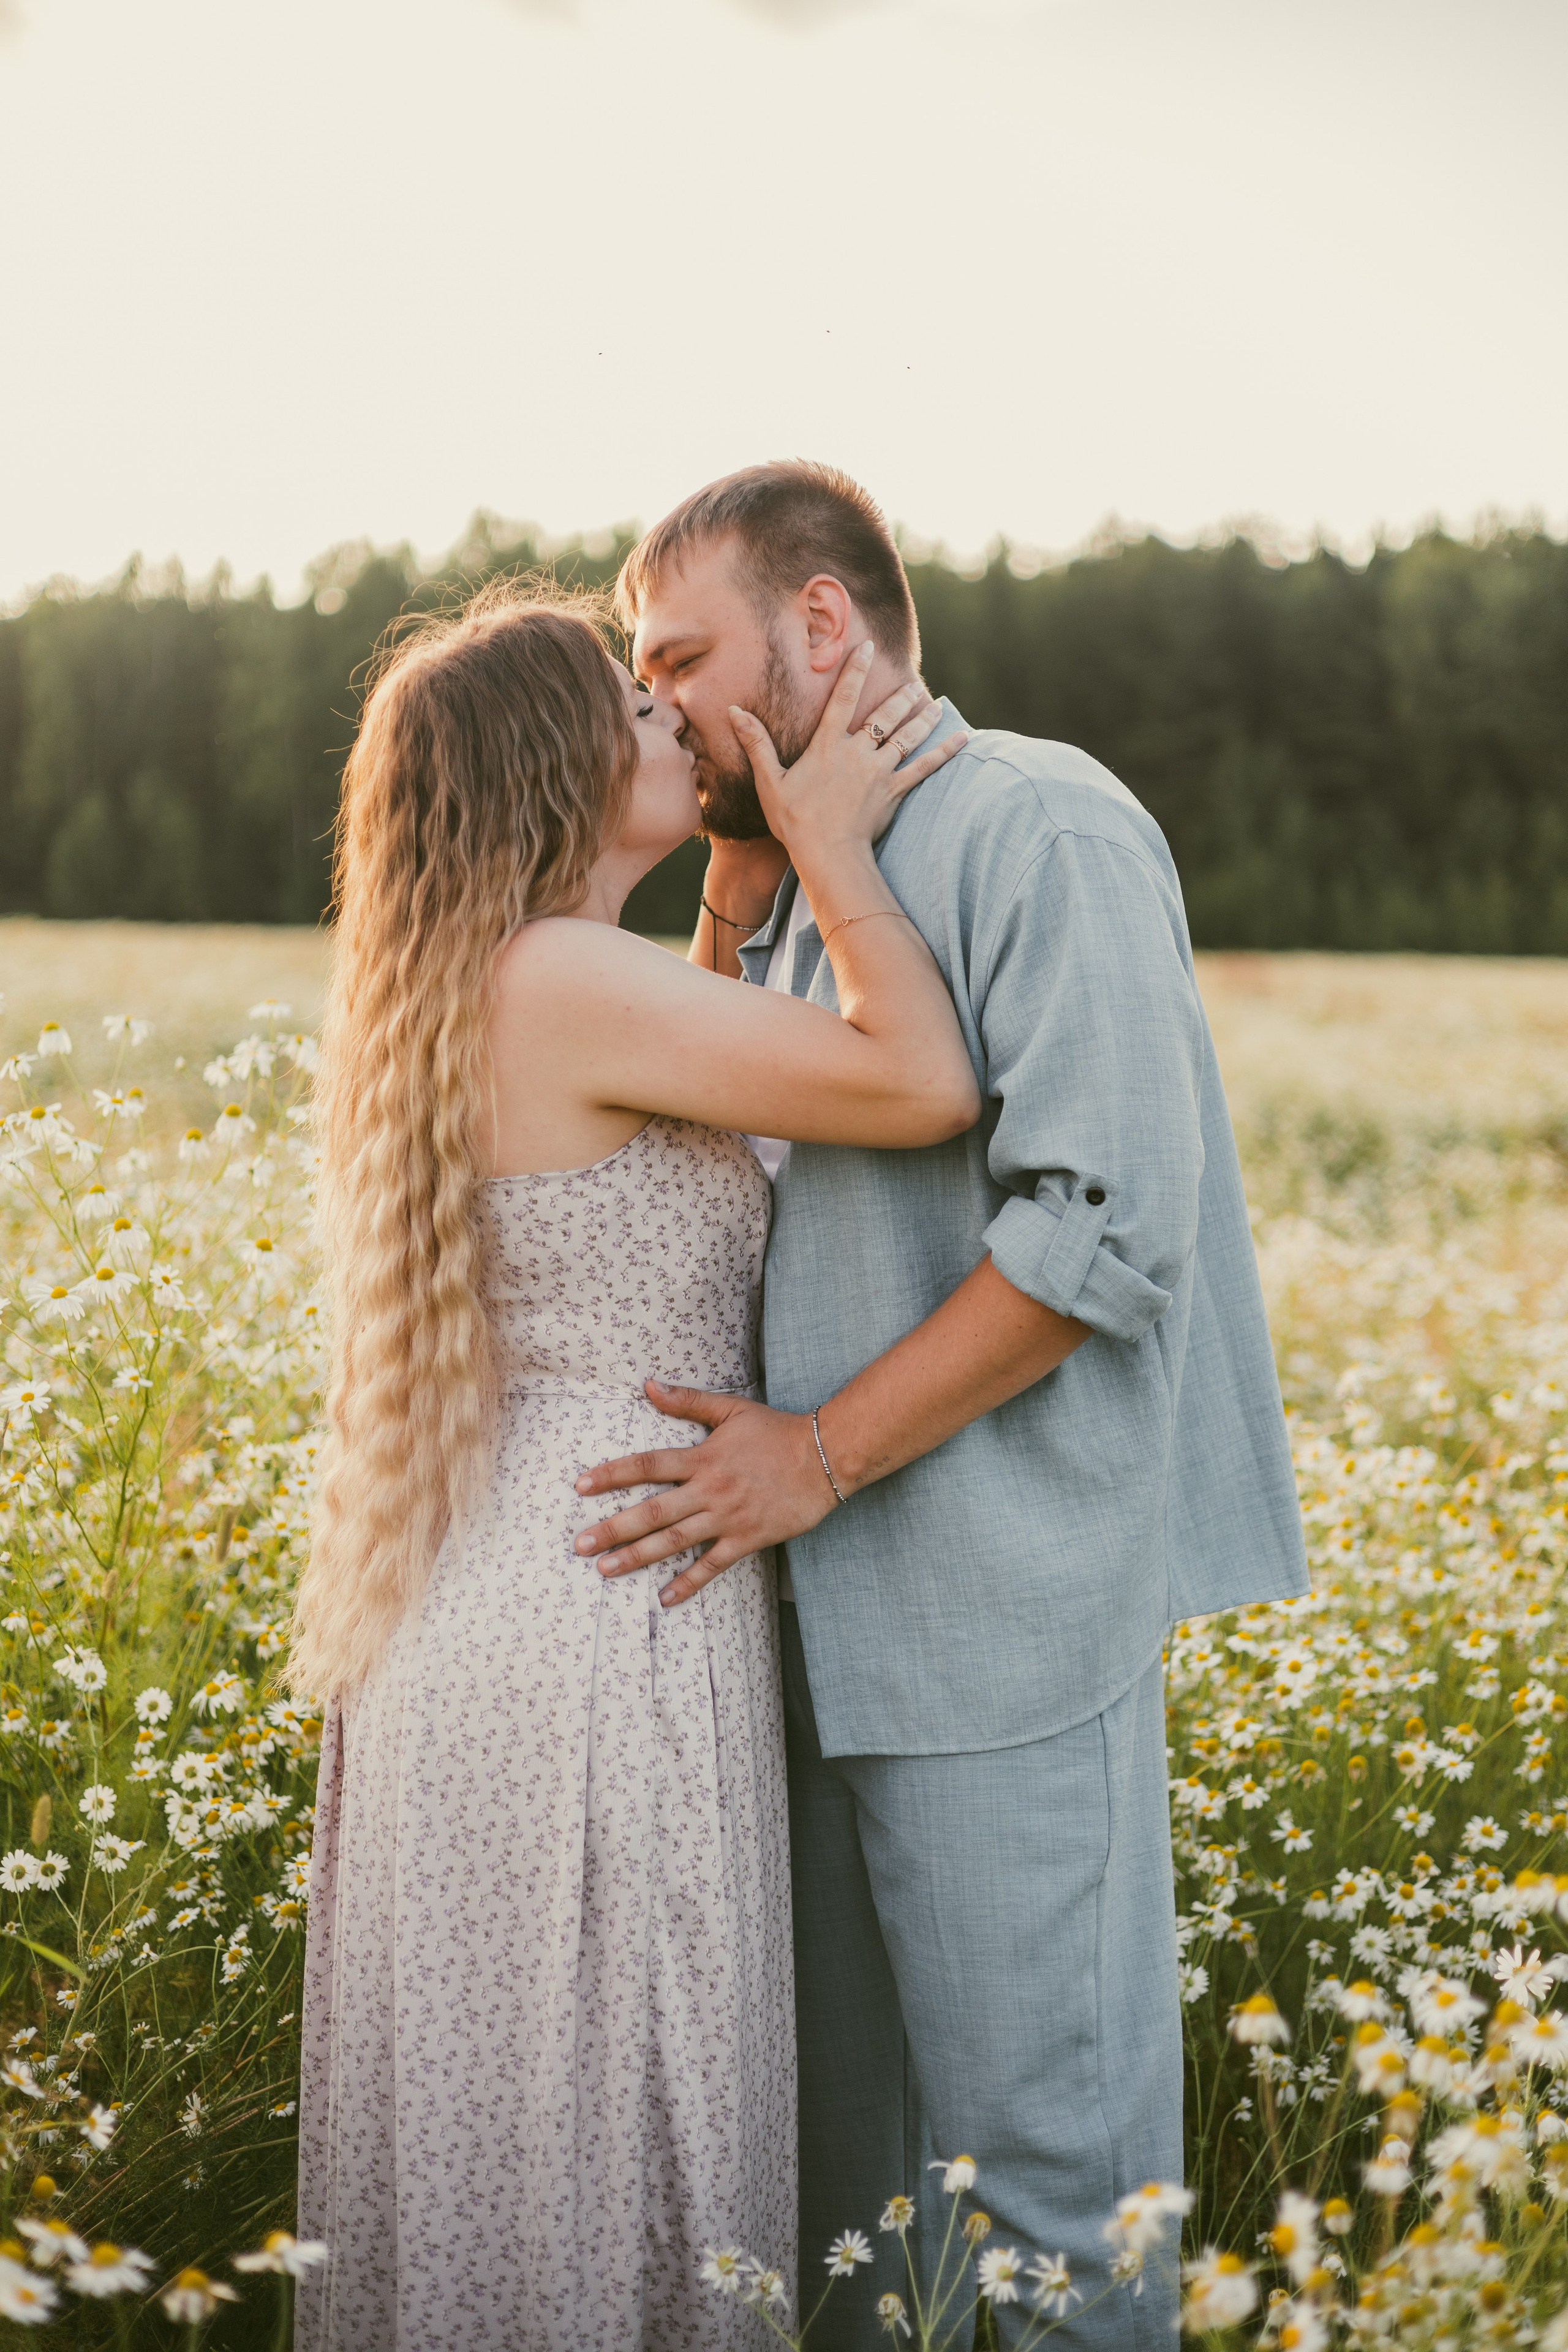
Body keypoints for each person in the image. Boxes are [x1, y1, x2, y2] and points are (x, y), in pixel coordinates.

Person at [577, 462, 1311, 2350]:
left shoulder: (1037, 828)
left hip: (999, 1634)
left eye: (684, 661)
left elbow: (1104, 1231)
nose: (660, 711)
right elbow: (716, 1193)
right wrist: (736, 908)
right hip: (797, 1646)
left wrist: (814, 1454)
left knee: (1058, 2229)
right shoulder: (809, 876)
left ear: (824, 626)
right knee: (849, 2241)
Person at [290, 578, 978, 2352]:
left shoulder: (499, 983)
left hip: (503, 1590)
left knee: (530, 2144)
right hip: (611, 1606)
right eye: (631, 699)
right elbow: (916, 1083)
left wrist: (731, 923)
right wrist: (830, 849)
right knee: (619, 2104)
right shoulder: (564, 983)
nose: (672, 714)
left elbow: (654, 1139)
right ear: (555, 765)